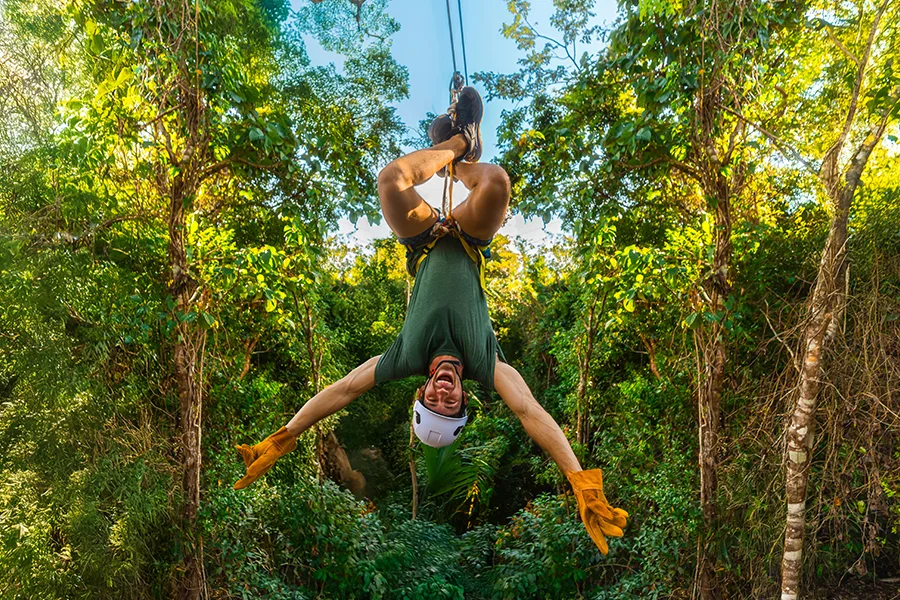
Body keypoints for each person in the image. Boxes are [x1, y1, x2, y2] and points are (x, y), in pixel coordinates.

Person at [234, 87, 628, 555]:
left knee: (390, 181)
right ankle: (464, 155)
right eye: (451, 404)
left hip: (423, 241)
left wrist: (284, 437)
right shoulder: (486, 364)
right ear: (463, 400)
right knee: (497, 183)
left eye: (433, 401)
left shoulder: (406, 357)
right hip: (466, 239)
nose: (443, 393)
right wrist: (578, 479)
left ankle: (456, 146)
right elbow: (530, 413)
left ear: (421, 392)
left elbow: (341, 391)